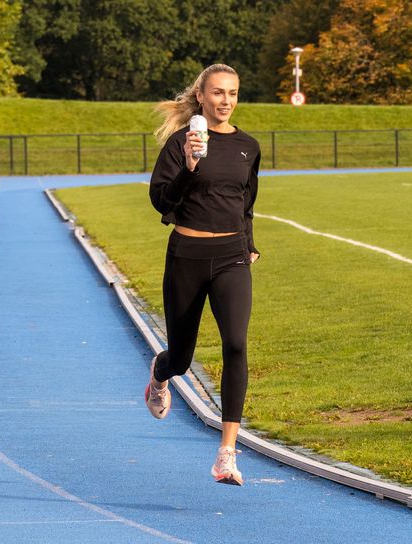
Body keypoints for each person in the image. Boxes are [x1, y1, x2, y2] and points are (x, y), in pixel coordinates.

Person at [146, 64, 260, 486]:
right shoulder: (180, 143)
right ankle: (160, 374)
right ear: (201, 96)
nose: (225, 101)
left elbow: (245, 203)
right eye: (217, 93)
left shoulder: (248, 147)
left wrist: (249, 243)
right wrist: (189, 167)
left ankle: (227, 454)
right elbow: (161, 201)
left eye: (232, 93)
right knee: (181, 358)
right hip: (187, 255)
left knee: (236, 344)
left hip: (232, 256)